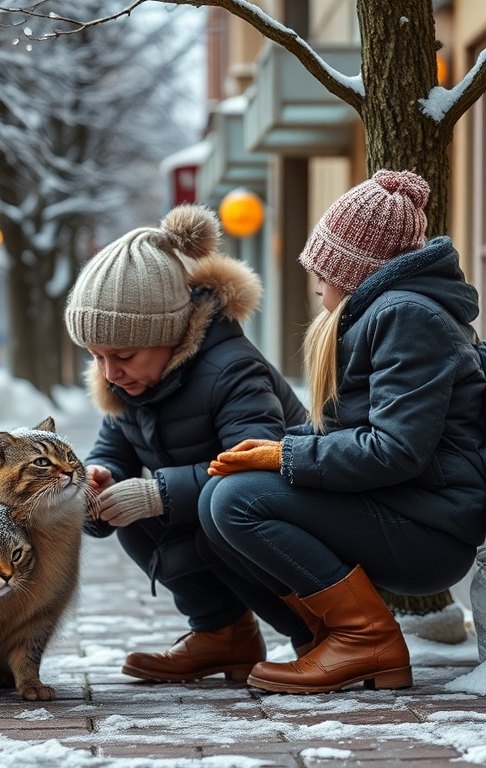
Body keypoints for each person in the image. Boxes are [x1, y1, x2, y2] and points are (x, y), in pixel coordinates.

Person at [201, 169, 486, 694]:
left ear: (354, 269)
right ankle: (322, 640)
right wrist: (278, 448)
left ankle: (366, 641)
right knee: (214, 500)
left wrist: (282, 457)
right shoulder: (380, 315)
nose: (314, 279)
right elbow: (358, 435)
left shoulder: (408, 317)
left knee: (237, 502)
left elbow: (394, 450)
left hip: (431, 529)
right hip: (402, 509)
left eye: (324, 265)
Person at [64, 203, 309, 683]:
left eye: (123, 355)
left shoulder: (234, 370)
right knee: (126, 506)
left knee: (192, 505)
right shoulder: (131, 384)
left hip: (293, 523)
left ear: (169, 333)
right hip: (218, 514)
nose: (111, 373)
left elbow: (259, 466)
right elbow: (113, 447)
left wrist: (158, 493)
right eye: (96, 358)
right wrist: (95, 479)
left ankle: (321, 633)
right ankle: (222, 634)